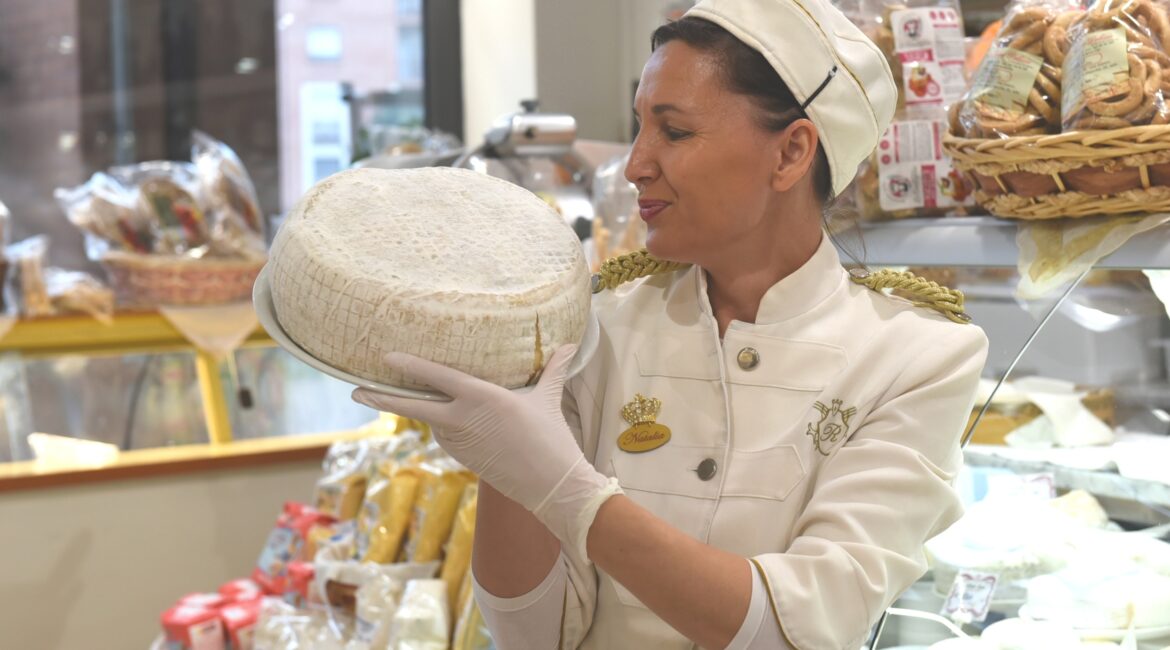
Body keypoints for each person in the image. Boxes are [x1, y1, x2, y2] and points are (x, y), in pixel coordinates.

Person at [353, 0, 989, 647]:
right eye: (639, 129)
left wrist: (565, 491)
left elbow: (801, 627)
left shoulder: (915, 357)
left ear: (791, 152)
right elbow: (534, 635)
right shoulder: (599, 328)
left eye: (674, 132)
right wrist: (507, 466)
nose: (635, 164)